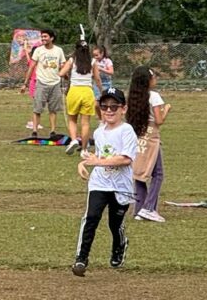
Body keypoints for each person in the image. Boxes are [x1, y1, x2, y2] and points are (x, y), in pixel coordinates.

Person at [72, 87, 137, 277]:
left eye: (113, 106)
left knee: (114, 224)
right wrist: (84, 163)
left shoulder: (127, 131)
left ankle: (119, 246)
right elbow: (100, 156)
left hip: (120, 186)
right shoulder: (100, 132)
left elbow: (125, 159)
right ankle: (81, 259)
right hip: (100, 183)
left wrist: (97, 162)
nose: (108, 110)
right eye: (104, 106)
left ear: (123, 109)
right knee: (91, 218)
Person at [127, 66, 170, 222]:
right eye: (154, 77)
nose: (155, 80)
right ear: (148, 80)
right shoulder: (154, 96)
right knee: (157, 174)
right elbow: (158, 121)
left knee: (138, 173)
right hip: (151, 138)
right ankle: (149, 208)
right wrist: (166, 110)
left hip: (138, 137)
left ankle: (139, 209)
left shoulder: (132, 97)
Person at [60, 40, 102, 155]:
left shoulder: (72, 60)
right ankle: (84, 149)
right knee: (85, 123)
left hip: (74, 91)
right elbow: (97, 79)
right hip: (88, 92)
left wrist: (67, 74)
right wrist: (102, 91)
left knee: (72, 119)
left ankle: (73, 140)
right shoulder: (93, 61)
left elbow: (61, 73)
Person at [22, 29, 66, 139]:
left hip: (55, 83)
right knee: (37, 108)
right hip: (41, 83)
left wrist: (65, 75)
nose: (43, 39)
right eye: (42, 37)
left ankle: (52, 131)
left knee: (53, 109)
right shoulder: (38, 50)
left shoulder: (59, 50)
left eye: (45, 36)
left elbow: (63, 65)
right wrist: (25, 83)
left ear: (51, 38)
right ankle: (35, 131)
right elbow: (32, 66)